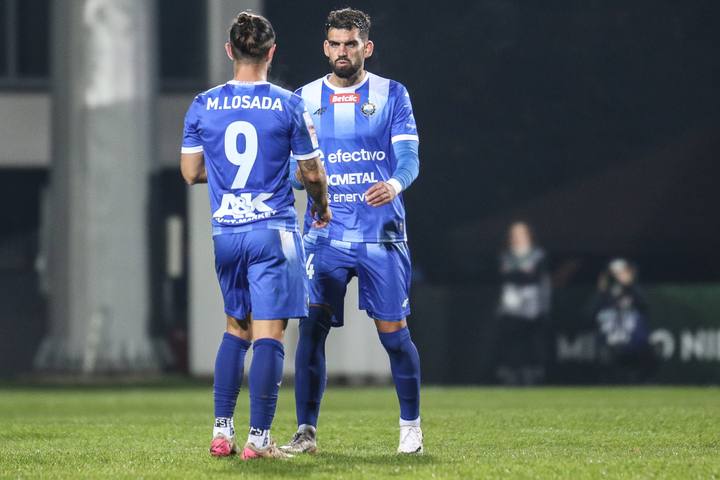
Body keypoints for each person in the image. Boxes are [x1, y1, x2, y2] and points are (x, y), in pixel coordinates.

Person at [180, 12, 330, 460]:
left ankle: (221, 431)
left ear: (230, 50)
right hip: (271, 232)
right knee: (269, 334)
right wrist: (321, 207)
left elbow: (190, 171)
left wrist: (230, 182)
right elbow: (311, 174)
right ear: (271, 52)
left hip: (226, 233)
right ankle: (259, 440)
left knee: (235, 329)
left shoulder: (203, 104)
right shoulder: (288, 104)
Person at [282, 8, 423, 455]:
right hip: (324, 235)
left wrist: (393, 184)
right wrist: (297, 179)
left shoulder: (392, 94)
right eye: (336, 44)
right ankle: (305, 433)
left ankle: (411, 429)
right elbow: (294, 171)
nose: (343, 51)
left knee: (394, 335)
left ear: (367, 47)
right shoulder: (303, 98)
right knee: (311, 330)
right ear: (326, 48)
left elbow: (409, 159)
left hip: (381, 234)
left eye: (351, 44)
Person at [496, 221, 551, 385]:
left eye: (521, 233)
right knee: (512, 341)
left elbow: (536, 277)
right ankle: (511, 373)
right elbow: (504, 275)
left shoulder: (538, 255)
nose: (518, 237)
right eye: (515, 234)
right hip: (511, 304)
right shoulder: (506, 256)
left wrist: (544, 306)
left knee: (533, 341)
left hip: (532, 306)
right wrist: (521, 273)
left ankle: (533, 374)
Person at [591, 258, 655, 383]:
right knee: (605, 356)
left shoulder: (633, 292)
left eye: (622, 272)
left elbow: (646, 307)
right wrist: (600, 291)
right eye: (616, 274)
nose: (618, 277)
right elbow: (588, 314)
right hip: (609, 343)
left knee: (648, 352)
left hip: (633, 342)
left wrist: (630, 285)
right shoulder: (605, 295)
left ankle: (640, 382)